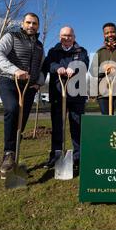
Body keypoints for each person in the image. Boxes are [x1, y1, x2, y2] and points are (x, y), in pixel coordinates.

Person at [0, 12, 45, 175]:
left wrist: (39, 82)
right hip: (9, 81)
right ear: (22, 24)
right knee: (12, 109)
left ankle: (14, 150)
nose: (31, 26)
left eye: (34, 23)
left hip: (29, 87)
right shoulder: (11, 36)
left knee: (21, 122)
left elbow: (41, 67)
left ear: (38, 27)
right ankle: (8, 153)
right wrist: (15, 70)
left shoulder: (39, 45)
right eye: (28, 22)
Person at [42, 26, 89, 169]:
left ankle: (78, 158)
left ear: (74, 37)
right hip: (58, 93)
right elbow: (48, 64)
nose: (66, 38)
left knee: (77, 127)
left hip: (77, 95)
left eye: (69, 35)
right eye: (64, 35)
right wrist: (57, 68)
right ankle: (55, 157)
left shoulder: (81, 51)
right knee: (57, 127)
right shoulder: (53, 51)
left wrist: (73, 67)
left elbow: (84, 64)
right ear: (59, 37)